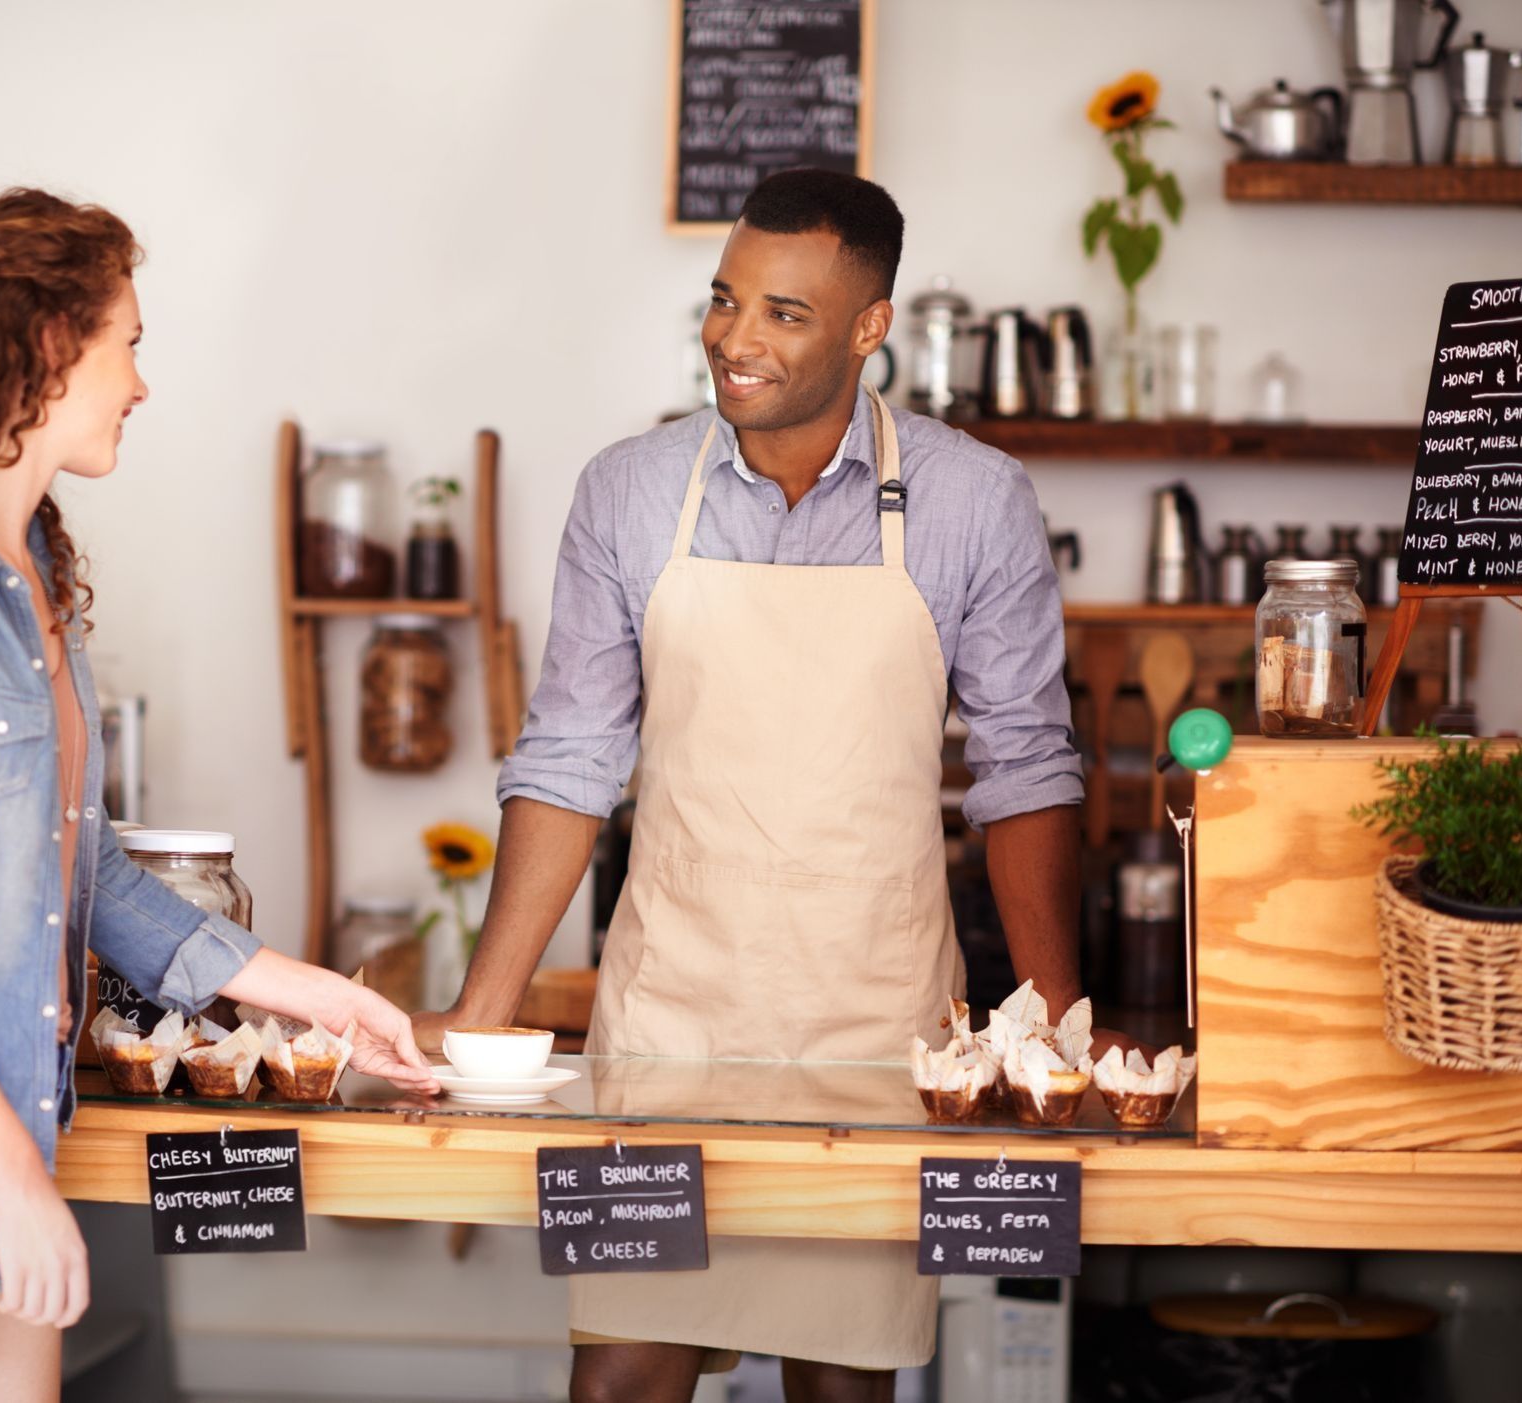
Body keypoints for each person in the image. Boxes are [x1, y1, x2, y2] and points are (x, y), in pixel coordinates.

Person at [413, 168, 1130, 1402]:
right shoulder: (630, 492)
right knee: (621, 1374)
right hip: (666, 1026)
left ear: (870, 327)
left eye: (785, 314)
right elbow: (572, 756)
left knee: (843, 1382)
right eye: (724, 299)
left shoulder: (974, 499)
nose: (735, 340)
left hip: (874, 1028)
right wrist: (484, 1013)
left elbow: (1024, 771)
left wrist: (1054, 1031)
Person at [0, 188, 438, 1403]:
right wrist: (14, 1177)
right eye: (127, 341)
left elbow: (92, 877)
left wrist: (323, 1000)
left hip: (12, 1143)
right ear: (42, 346)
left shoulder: (38, 590)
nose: (141, 381)